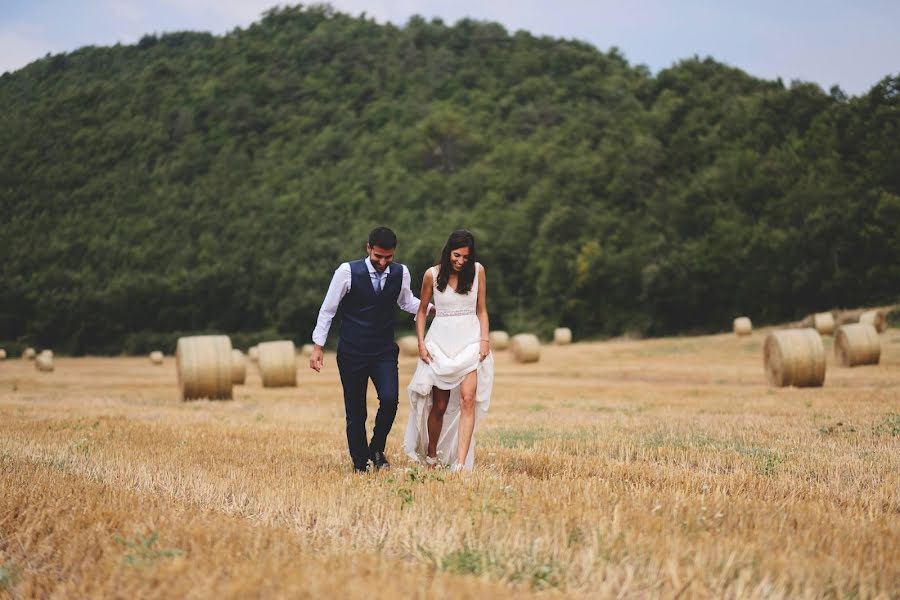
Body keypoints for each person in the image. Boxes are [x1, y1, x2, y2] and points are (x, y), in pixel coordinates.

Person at [310, 227, 431, 473]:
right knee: (356, 411)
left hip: (384, 350)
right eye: (378, 257)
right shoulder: (347, 271)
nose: (383, 262)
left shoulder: (401, 272)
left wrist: (437, 309)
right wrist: (318, 346)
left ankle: (376, 448)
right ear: (368, 249)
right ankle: (360, 463)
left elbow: (407, 302)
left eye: (388, 257)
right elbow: (328, 309)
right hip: (352, 351)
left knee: (390, 400)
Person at [404, 229, 494, 472]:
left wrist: (484, 340)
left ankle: (461, 464)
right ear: (448, 252)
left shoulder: (477, 271)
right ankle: (432, 455)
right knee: (440, 405)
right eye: (456, 255)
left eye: (465, 257)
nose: (461, 261)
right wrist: (421, 344)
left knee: (468, 399)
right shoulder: (431, 275)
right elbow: (421, 311)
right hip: (440, 344)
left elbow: (482, 309)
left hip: (470, 342)